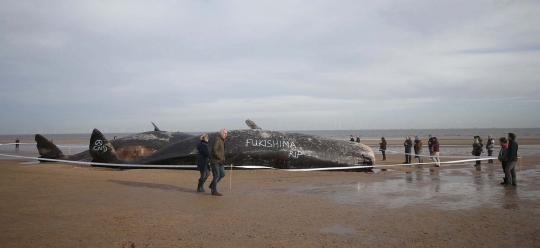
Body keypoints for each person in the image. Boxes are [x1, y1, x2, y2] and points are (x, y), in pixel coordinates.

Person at [209, 129, 227, 196]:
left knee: (222, 174)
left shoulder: (222, 140)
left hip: (220, 161)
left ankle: (212, 185)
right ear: (221, 133)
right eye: (225, 133)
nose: (226, 135)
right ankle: (214, 191)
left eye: (226, 133)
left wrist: (222, 158)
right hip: (216, 161)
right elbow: (214, 150)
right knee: (216, 176)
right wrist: (220, 157)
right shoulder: (218, 140)